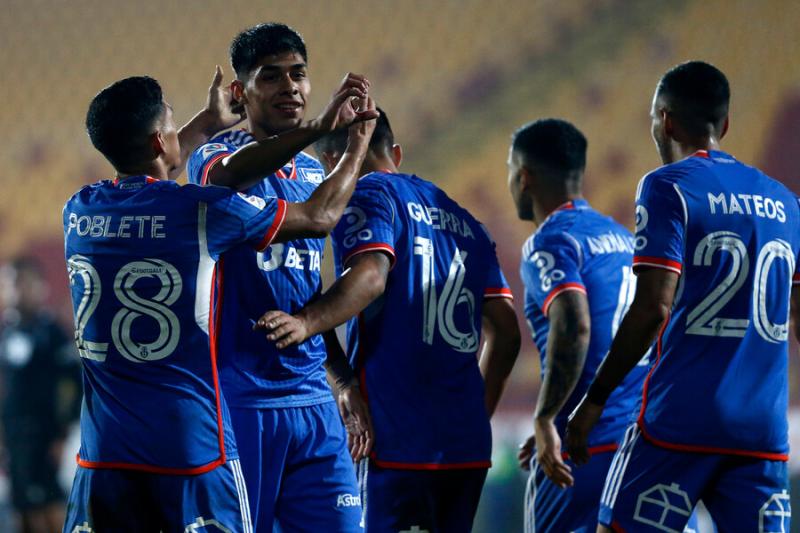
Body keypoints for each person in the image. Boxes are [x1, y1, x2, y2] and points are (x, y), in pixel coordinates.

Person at [63, 72, 375, 532]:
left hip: (105, 455)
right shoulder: (201, 212)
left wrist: (207, 121)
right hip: (192, 450)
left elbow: (151, 168)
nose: (177, 134)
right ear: (158, 142)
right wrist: (356, 145)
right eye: (171, 125)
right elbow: (319, 216)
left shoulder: (79, 210)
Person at [257, 109, 521, 532]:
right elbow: (506, 332)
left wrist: (307, 322)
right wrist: (475, 411)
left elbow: (372, 276)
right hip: (465, 447)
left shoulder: (367, 194)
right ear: (395, 152)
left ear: (331, 166)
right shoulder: (467, 221)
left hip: (395, 437)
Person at [567, 61, 800, 533]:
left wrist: (593, 401)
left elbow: (654, 306)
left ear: (665, 120)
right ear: (725, 125)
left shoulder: (668, 186)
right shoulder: (787, 203)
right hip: (761, 429)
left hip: (677, 423)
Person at [187, 23, 374, 532]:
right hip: (239, 399)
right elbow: (231, 176)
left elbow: (308, 288)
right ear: (239, 92)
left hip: (311, 400)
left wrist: (340, 378)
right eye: (271, 77)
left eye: (298, 75)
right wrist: (320, 130)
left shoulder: (315, 174)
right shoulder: (212, 160)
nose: (290, 87)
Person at [508, 119, 652, 532]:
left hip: (578, 453)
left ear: (525, 176)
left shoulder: (550, 241)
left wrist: (547, 416)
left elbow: (574, 324)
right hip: (640, 448)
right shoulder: (625, 240)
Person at [0, 258, 80, 533]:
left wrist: (62, 433)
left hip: (45, 437)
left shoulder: (52, 333)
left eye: (22, 282)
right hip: (13, 438)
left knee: (47, 506)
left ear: (39, 287)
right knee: (20, 509)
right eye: (10, 283)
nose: (15, 290)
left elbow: (76, 383)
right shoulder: (5, 332)